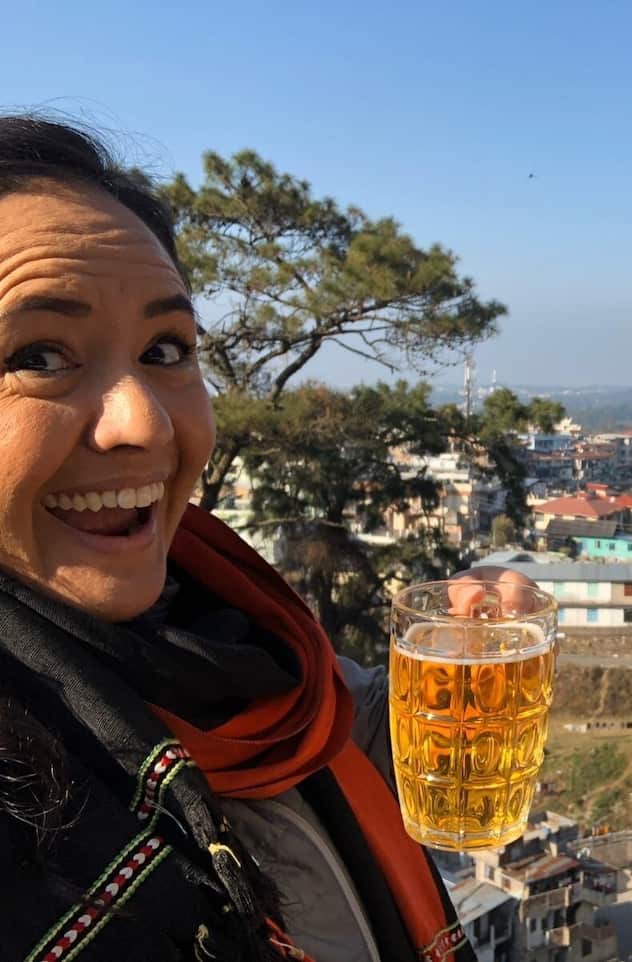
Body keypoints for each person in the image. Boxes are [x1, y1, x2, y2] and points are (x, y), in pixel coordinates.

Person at [0, 117, 475, 962]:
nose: (145, 423)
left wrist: (455, 670)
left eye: (165, 348)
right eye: (39, 355)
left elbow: (343, 725)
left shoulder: (221, 629)